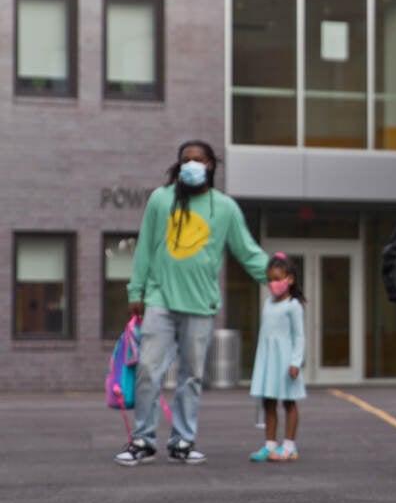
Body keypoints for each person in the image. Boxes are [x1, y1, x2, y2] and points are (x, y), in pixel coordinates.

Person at [114, 140, 271, 466]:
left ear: (211, 165)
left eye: (199, 159)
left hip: (200, 304)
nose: (192, 164)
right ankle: (143, 440)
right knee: (147, 371)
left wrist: (278, 280)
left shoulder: (224, 207)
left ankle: (183, 441)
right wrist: (135, 292)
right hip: (159, 299)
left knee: (191, 377)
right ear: (178, 165)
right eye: (186, 159)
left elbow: (247, 250)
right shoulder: (161, 199)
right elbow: (144, 247)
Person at [249, 253, 306, 462]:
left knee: (289, 402)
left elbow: (299, 336)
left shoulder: (293, 305)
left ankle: (289, 445)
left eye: (277, 279)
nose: (273, 284)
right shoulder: (268, 303)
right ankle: (270, 444)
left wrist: (295, 361)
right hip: (268, 360)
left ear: (289, 279)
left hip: (286, 361)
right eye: (270, 279)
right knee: (269, 402)